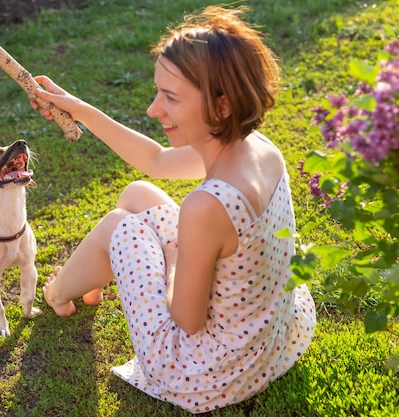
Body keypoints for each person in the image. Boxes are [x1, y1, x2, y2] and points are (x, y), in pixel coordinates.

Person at [31, 5, 316, 413]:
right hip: (269, 336)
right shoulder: (259, 149)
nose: (153, 109)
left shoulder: (206, 207)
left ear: (220, 107)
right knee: (138, 193)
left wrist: (173, 259)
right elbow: (157, 161)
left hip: (205, 372)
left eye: (170, 97)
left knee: (120, 227)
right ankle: (88, 278)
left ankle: (58, 292)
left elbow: (187, 320)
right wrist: (79, 109)